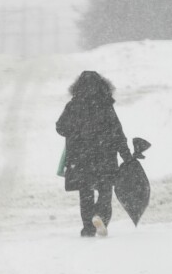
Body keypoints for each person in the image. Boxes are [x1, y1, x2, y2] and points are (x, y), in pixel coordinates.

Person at [56, 71, 131, 238]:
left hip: (80, 157)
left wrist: (76, 132)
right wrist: (126, 154)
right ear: (102, 86)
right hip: (105, 156)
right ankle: (100, 216)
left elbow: (60, 127)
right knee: (105, 190)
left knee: (85, 193)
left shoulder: (73, 105)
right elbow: (117, 132)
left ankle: (88, 228)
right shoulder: (105, 105)